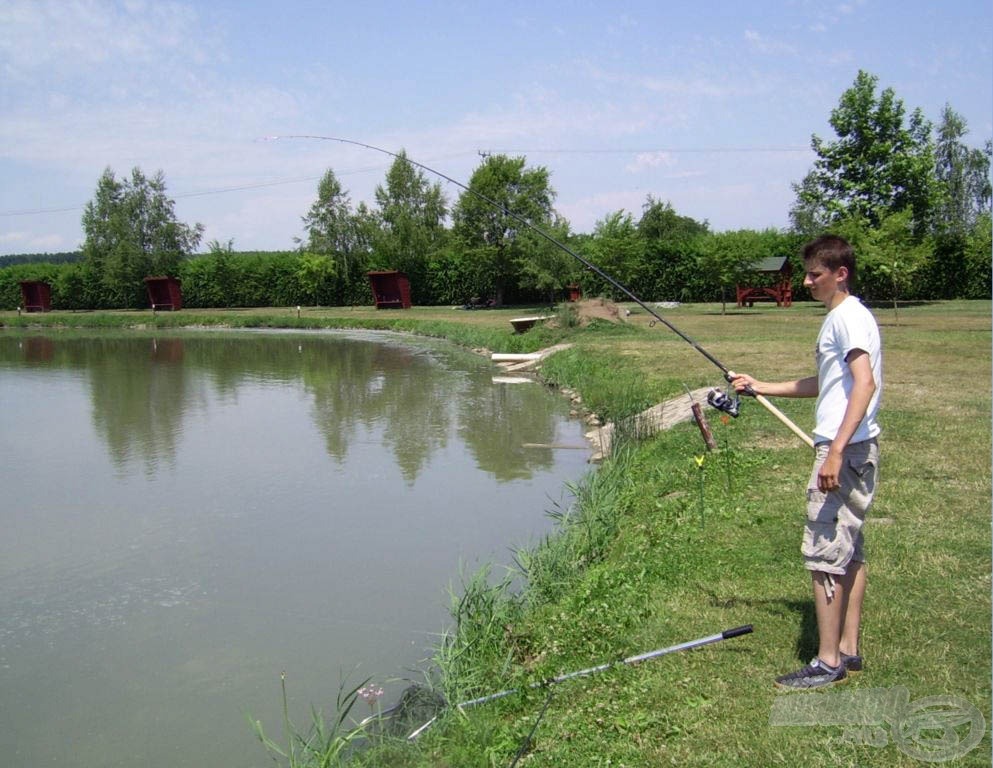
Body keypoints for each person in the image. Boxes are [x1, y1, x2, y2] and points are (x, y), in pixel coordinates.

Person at [730, 234, 882, 690]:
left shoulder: (846, 319)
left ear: (841, 273)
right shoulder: (848, 317)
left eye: (816, 274)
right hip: (857, 445)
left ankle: (827, 660)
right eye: (807, 273)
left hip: (845, 449)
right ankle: (849, 651)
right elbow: (827, 383)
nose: (807, 281)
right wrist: (760, 386)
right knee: (849, 549)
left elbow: (864, 383)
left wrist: (834, 451)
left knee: (823, 554)